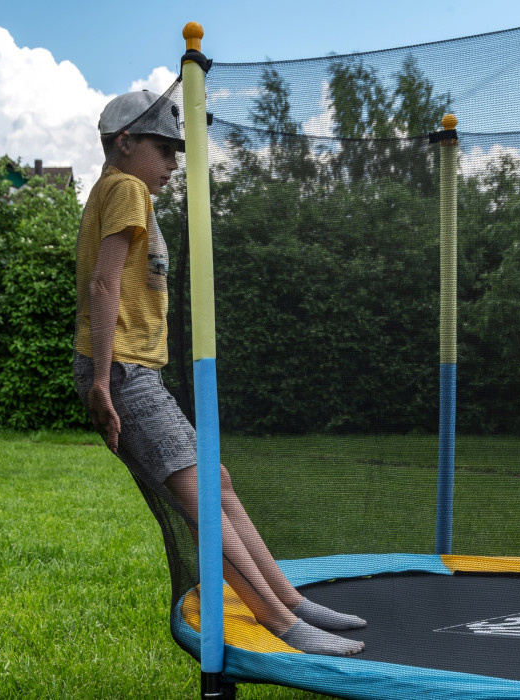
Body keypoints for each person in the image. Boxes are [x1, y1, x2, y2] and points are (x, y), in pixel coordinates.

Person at [73, 90, 365, 657]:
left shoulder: (115, 189)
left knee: (217, 483)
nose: (172, 163)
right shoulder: (127, 188)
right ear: (125, 142)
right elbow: (104, 283)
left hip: (132, 370)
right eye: (164, 150)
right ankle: (283, 623)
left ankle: (292, 600)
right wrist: (103, 381)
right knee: (200, 498)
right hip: (123, 371)